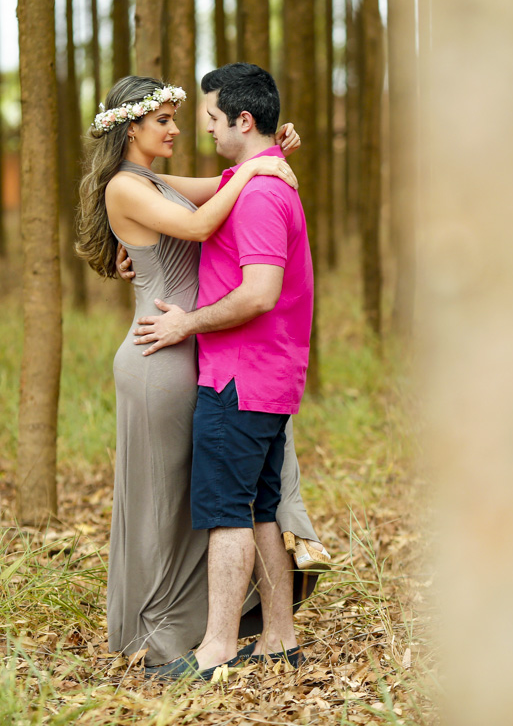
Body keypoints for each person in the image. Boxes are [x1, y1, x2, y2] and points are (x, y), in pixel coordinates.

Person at [75, 75, 330, 671]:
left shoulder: (151, 183)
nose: (178, 128)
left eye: (181, 117)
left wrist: (269, 154)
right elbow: (197, 225)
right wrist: (254, 167)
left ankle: (222, 631)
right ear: (130, 126)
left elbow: (204, 195)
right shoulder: (124, 186)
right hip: (160, 353)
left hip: (203, 352)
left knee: (203, 502)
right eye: (162, 119)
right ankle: (161, 632)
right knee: (170, 503)